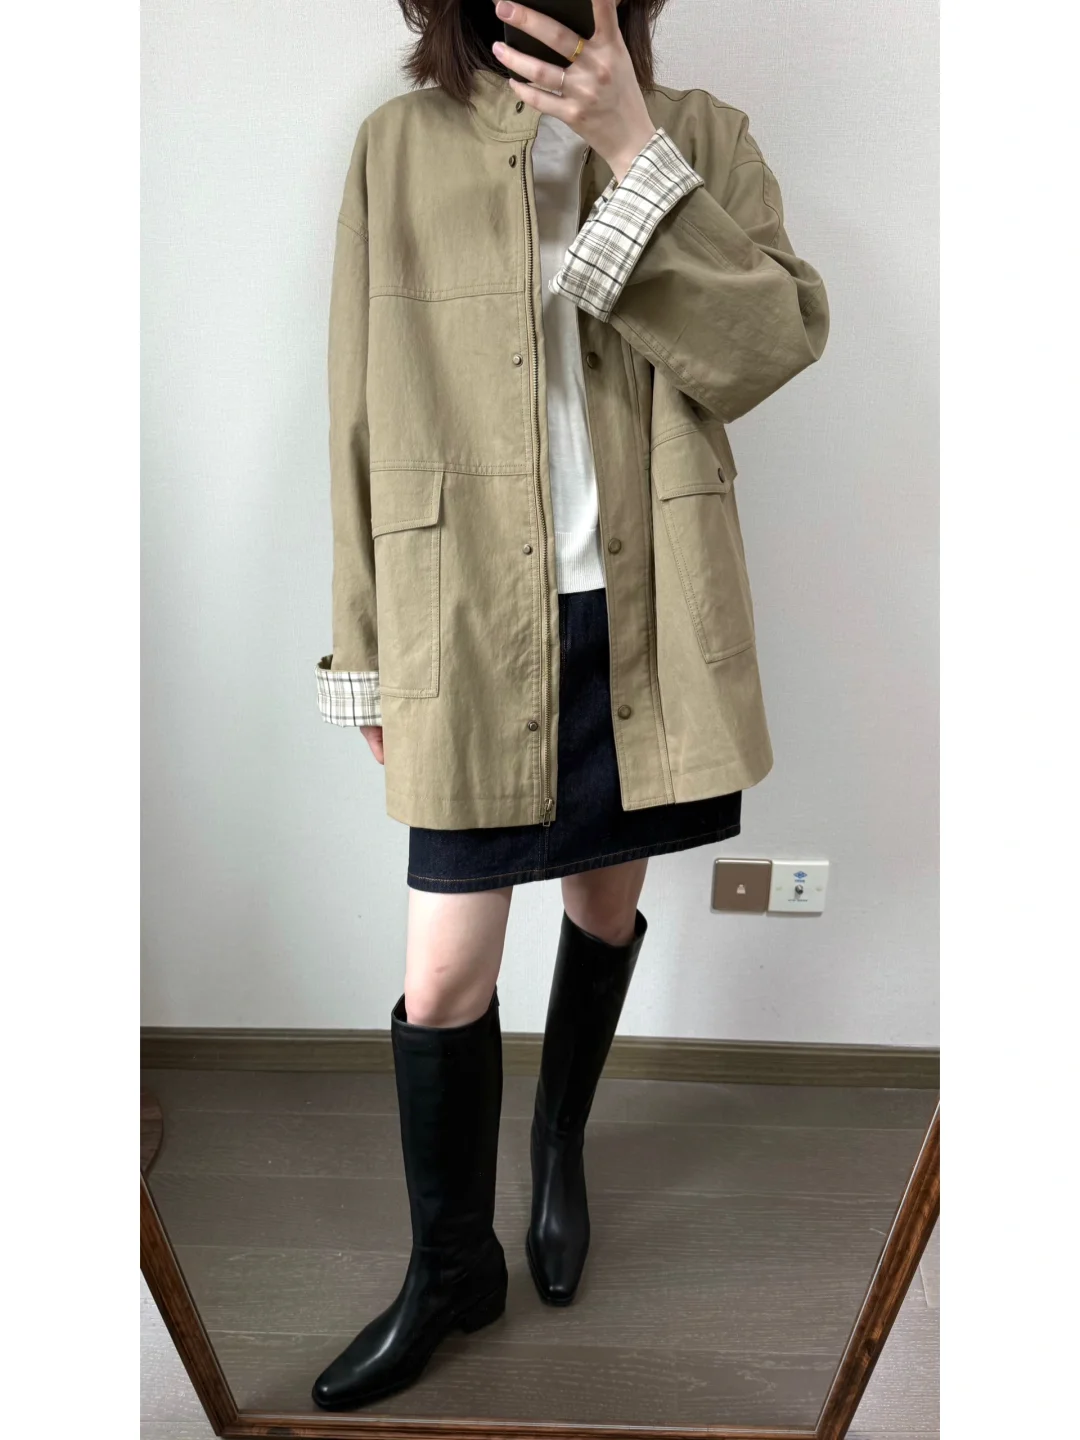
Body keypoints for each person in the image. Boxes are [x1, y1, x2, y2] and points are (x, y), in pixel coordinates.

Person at [311, 0, 829, 1411]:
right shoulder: (397, 147)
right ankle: (448, 1269)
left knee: (603, 913)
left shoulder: (702, 136)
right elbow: (356, 405)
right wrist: (364, 648)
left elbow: (769, 346)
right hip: (467, 614)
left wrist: (632, 146)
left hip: (645, 612)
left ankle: (558, 1147)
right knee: (445, 977)